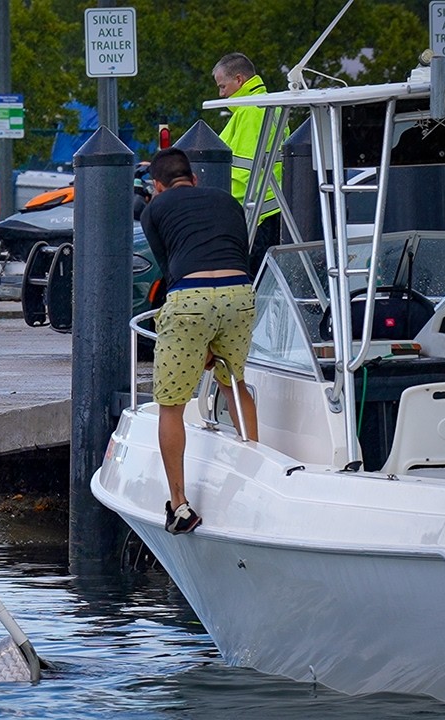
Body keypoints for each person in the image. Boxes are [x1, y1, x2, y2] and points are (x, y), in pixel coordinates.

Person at [140, 147, 259, 535]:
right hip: (239, 293)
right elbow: (241, 253)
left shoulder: (154, 210)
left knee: (171, 406)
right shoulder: (227, 201)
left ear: (157, 186)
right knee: (234, 384)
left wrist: (200, 340)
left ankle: (179, 505)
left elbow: (170, 267)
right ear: (194, 178)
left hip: (189, 299)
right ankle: (255, 479)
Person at [212, 52, 285, 275]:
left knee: (253, 287)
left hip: (256, 217)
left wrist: (218, 206)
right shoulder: (267, 106)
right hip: (269, 210)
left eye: (223, 87)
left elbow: (244, 173)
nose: (221, 94)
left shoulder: (251, 112)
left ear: (239, 80)